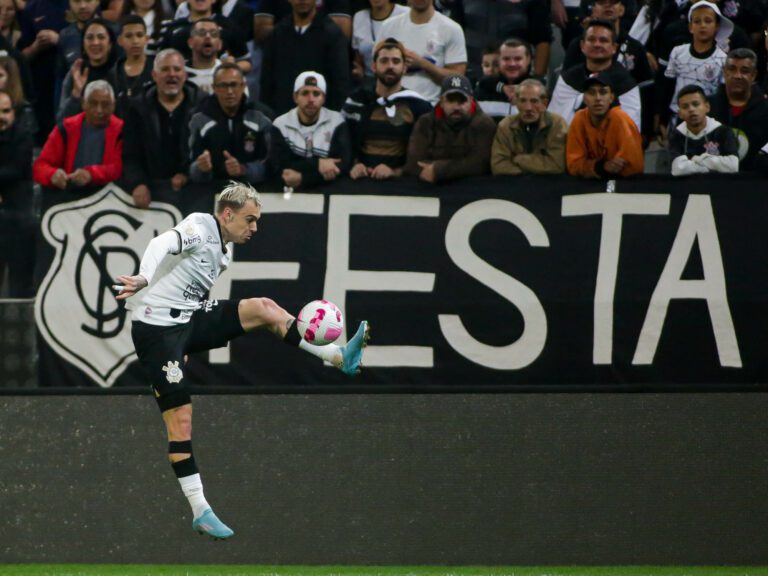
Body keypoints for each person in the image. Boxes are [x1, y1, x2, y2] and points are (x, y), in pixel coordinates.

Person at [113, 180, 370, 539]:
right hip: (157, 333)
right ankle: (200, 509)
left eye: (257, 220)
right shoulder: (201, 226)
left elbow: (189, 288)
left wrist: (190, 337)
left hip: (188, 319)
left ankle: (337, 356)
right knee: (181, 423)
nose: (254, 228)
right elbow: (163, 242)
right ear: (227, 214)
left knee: (264, 309)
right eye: (249, 219)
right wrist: (142, 277)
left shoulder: (225, 252)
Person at [123, 48, 203, 208]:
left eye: (177, 69)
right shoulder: (137, 108)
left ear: (185, 75)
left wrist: (188, 175)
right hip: (152, 195)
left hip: (195, 193)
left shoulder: (203, 106)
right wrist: (138, 183)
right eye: (165, 69)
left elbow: (206, 151)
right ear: (154, 75)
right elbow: (130, 154)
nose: (171, 74)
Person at [343, 37, 432, 181]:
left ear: (404, 68)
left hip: (400, 185)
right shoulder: (356, 100)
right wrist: (354, 164)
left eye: (396, 61)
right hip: (360, 182)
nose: (390, 66)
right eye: (384, 61)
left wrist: (396, 172)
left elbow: (424, 155)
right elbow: (344, 143)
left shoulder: (419, 105)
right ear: (373, 67)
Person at [260, 0, 351, 116]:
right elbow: (267, 82)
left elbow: (340, 84)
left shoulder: (332, 35)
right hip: (282, 118)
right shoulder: (277, 34)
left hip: (322, 120)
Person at [549, 19, 641, 129]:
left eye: (603, 40)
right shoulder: (568, 79)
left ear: (614, 48)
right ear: (582, 46)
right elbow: (556, 124)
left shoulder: (626, 82)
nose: (597, 44)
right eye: (591, 40)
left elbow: (630, 129)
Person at [189, 62, 272, 185]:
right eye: (223, 86)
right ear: (214, 88)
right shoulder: (198, 118)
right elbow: (188, 165)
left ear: (243, 86)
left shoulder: (262, 116)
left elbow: (271, 163)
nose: (229, 91)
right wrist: (200, 168)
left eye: (234, 85)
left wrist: (244, 170)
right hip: (210, 191)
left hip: (253, 190)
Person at [404, 74, 496, 183]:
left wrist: (438, 169)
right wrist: (462, 165)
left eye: (462, 101)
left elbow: (481, 164)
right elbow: (414, 164)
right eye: (451, 100)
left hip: (471, 187)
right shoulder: (426, 122)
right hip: (429, 187)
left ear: (471, 100)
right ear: (442, 101)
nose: (456, 107)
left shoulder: (484, 124)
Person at [33, 79, 123, 190]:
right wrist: (52, 174)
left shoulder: (122, 132)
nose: (99, 110)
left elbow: (120, 168)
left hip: (108, 196)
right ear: (83, 104)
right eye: (93, 103)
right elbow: (40, 166)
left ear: (114, 106)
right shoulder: (65, 129)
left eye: (105, 105)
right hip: (68, 195)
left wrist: (91, 175)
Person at [271, 71, 351, 191]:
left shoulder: (336, 121)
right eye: (305, 93)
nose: (311, 99)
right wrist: (318, 164)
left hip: (327, 190)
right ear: (295, 97)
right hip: (290, 193)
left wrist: (303, 178)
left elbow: (343, 164)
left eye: (316, 93)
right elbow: (279, 167)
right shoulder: (280, 124)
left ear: (324, 98)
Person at [379, 0, 467, 104]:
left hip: (431, 106)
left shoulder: (452, 29)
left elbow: (457, 79)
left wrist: (423, 64)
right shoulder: (389, 26)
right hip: (392, 103)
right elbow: (378, 69)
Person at [658, 1, 727, 134]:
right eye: (697, 21)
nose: (702, 25)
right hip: (678, 119)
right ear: (690, 27)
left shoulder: (723, 59)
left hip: (709, 122)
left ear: (717, 26)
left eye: (708, 21)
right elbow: (668, 86)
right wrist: (662, 118)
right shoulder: (677, 53)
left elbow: (721, 97)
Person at [566, 71, 643, 178]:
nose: (598, 98)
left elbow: (634, 166)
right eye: (592, 93)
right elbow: (573, 164)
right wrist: (600, 167)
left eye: (603, 92)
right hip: (589, 186)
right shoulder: (579, 119)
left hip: (622, 186)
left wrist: (593, 167)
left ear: (611, 97)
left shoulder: (621, 119)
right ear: (584, 99)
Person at [491, 78, 568, 175]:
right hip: (515, 185)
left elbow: (556, 165)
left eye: (534, 101)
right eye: (523, 101)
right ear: (516, 103)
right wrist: (529, 171)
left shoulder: (557, 123)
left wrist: (519, 159)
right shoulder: (506, 125)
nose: (528, 108)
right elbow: (498, 166)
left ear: (544, 104)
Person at [0, 88, 35, 297]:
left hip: (18, 222)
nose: (1, 117)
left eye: (5, 111)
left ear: (14, 112)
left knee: (19, 286)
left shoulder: (23, 136)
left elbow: (16, 169)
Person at [709, 48, 768, 171]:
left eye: (744, 71)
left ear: (754, 75)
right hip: (713, 181)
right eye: (732, 69)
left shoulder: (765, 109)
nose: (737, 76)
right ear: (724, 72)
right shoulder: (707, 108)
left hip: (755, 184)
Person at [669, 83, 738, 176]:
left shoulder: (723, 131)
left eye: (696, 104)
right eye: (685, 107)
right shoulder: (676, 135)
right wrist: (710, 167)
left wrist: (697, 159)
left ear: (707, 107)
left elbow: (733, 166)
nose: (691, 109)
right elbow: (677, 169)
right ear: (680, 113)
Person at [58, 17, 119, 121]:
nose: (95, 42)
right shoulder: (76, 73)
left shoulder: (120, 71)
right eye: (90, 38)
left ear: (110, 44)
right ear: (83, 44)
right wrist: (76, 95)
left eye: (101, 37)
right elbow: (62, 120)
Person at [474, 38, 534, 123]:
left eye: (518, 59)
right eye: (506, 59)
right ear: (499, 60)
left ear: (528, 60)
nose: (512, 64)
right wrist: (502, 87)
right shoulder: (483, 88)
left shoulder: (539, 90)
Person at [351, 0, 408, 85]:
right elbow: (358, 56)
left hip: (400, 79)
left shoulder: (405, 14)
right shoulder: (359, 16)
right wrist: (359, 70)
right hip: (368, 80)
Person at [184, 17, 222, 95]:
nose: (208, 37)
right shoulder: (179, 73)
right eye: (201, 33)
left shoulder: (228, 72)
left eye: (213, 34)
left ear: (220, 44)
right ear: (190, 42)